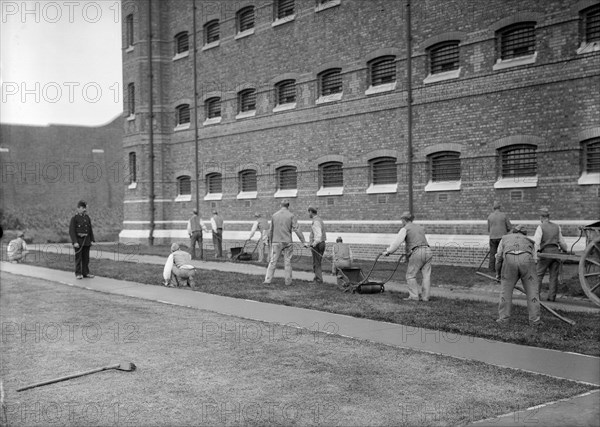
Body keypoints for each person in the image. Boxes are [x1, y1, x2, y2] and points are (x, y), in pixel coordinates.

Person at [495, 224, 541, 326]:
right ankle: (535, 320)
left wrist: (498, 274)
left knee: (505, 291)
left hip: (509, 260)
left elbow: (498, 258)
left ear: (514, 232)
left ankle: (503, 319)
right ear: (524, 234)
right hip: (527, 260)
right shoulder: (530, 241)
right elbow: (535, 261)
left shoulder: (504, 239)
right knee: (532, 292)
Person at [382, 211, 432, 301]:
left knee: (410, 275)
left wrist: (388, 252)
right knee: (426, 275)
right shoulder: (420, 228)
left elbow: (397, 243)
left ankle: (414, 297)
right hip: (428, 251)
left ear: (404, 220)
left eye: (401, 220)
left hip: (417, 251)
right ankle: (425, 297)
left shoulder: (405, 228)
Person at [264, 199, 306, 286]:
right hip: (287, 242)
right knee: (287, 262)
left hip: (276, 241)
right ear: (288, 206)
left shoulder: (274, 215)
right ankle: (288, 281)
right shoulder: (291, 215)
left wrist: (270, 242)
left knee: (272, 261)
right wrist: (303, 241)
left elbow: (271, 230)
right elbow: (297, 229)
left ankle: (268, 280)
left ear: (281, 205)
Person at [533, 208, 568, 302]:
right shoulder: (557, 226)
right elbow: (561, 241)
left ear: (541, 217)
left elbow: (536, 242)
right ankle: (552, 297)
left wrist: (535, 256)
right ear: (548, 217)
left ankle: (536, 296)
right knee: (553, 276)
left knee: (538, 275)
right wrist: (566, 250)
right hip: (556, 252)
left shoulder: (541, 227)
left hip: (545, 253)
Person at [69, 200, 95, 279]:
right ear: (78, 208)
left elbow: (90, 229)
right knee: (78, 258)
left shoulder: (87, 217)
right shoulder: (74, 218)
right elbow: (72, 231)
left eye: (85, 208)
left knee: (86, 258)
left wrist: (91, 240)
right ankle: (78, 273)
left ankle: (85, 273)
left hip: (86, 241)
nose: (84, 210)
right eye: (83, 208)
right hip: (79, 241)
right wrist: (75, 242)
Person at [487, 201, 512, 272]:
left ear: (493, 208)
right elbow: (509, 227)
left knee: (492, 254)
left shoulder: (490, 216)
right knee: (502, 254)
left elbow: (489, 229)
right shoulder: (504, 215)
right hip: (502, 238)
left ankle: (492, 269)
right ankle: (502, 269)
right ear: (500, 207)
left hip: (492, 238)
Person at [305, 206, 327, 284]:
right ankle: (317, 278)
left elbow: (318, 236)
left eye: (308, 212)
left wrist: (312, 244)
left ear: (311, 212)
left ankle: (318, 280)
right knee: (317, 262)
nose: (308, 214)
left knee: (316, 262)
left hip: (318, 244)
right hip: (321, 243)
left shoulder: (316, 222)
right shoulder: (319, 220)